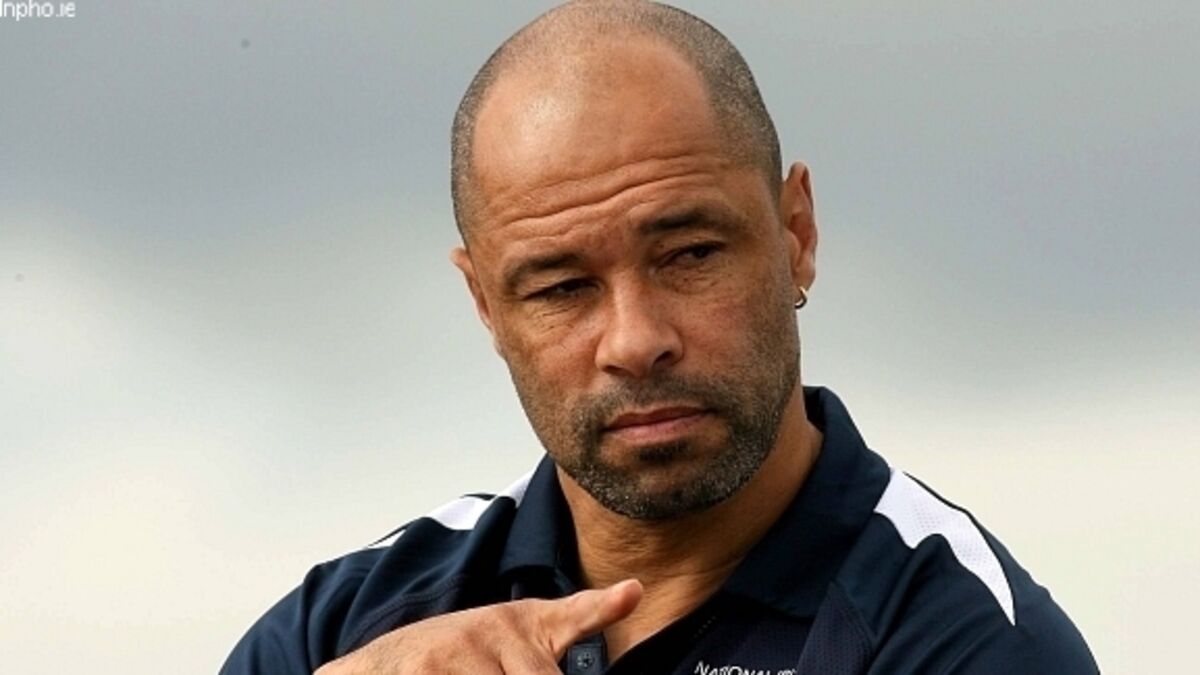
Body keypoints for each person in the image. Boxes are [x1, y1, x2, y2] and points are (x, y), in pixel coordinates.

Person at [222, 2, 1098, 673]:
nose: (636, 341)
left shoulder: (959, 635)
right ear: (486, 306)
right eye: (562, 287)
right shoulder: (345, 626)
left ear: (796, 234)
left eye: (689, 254)